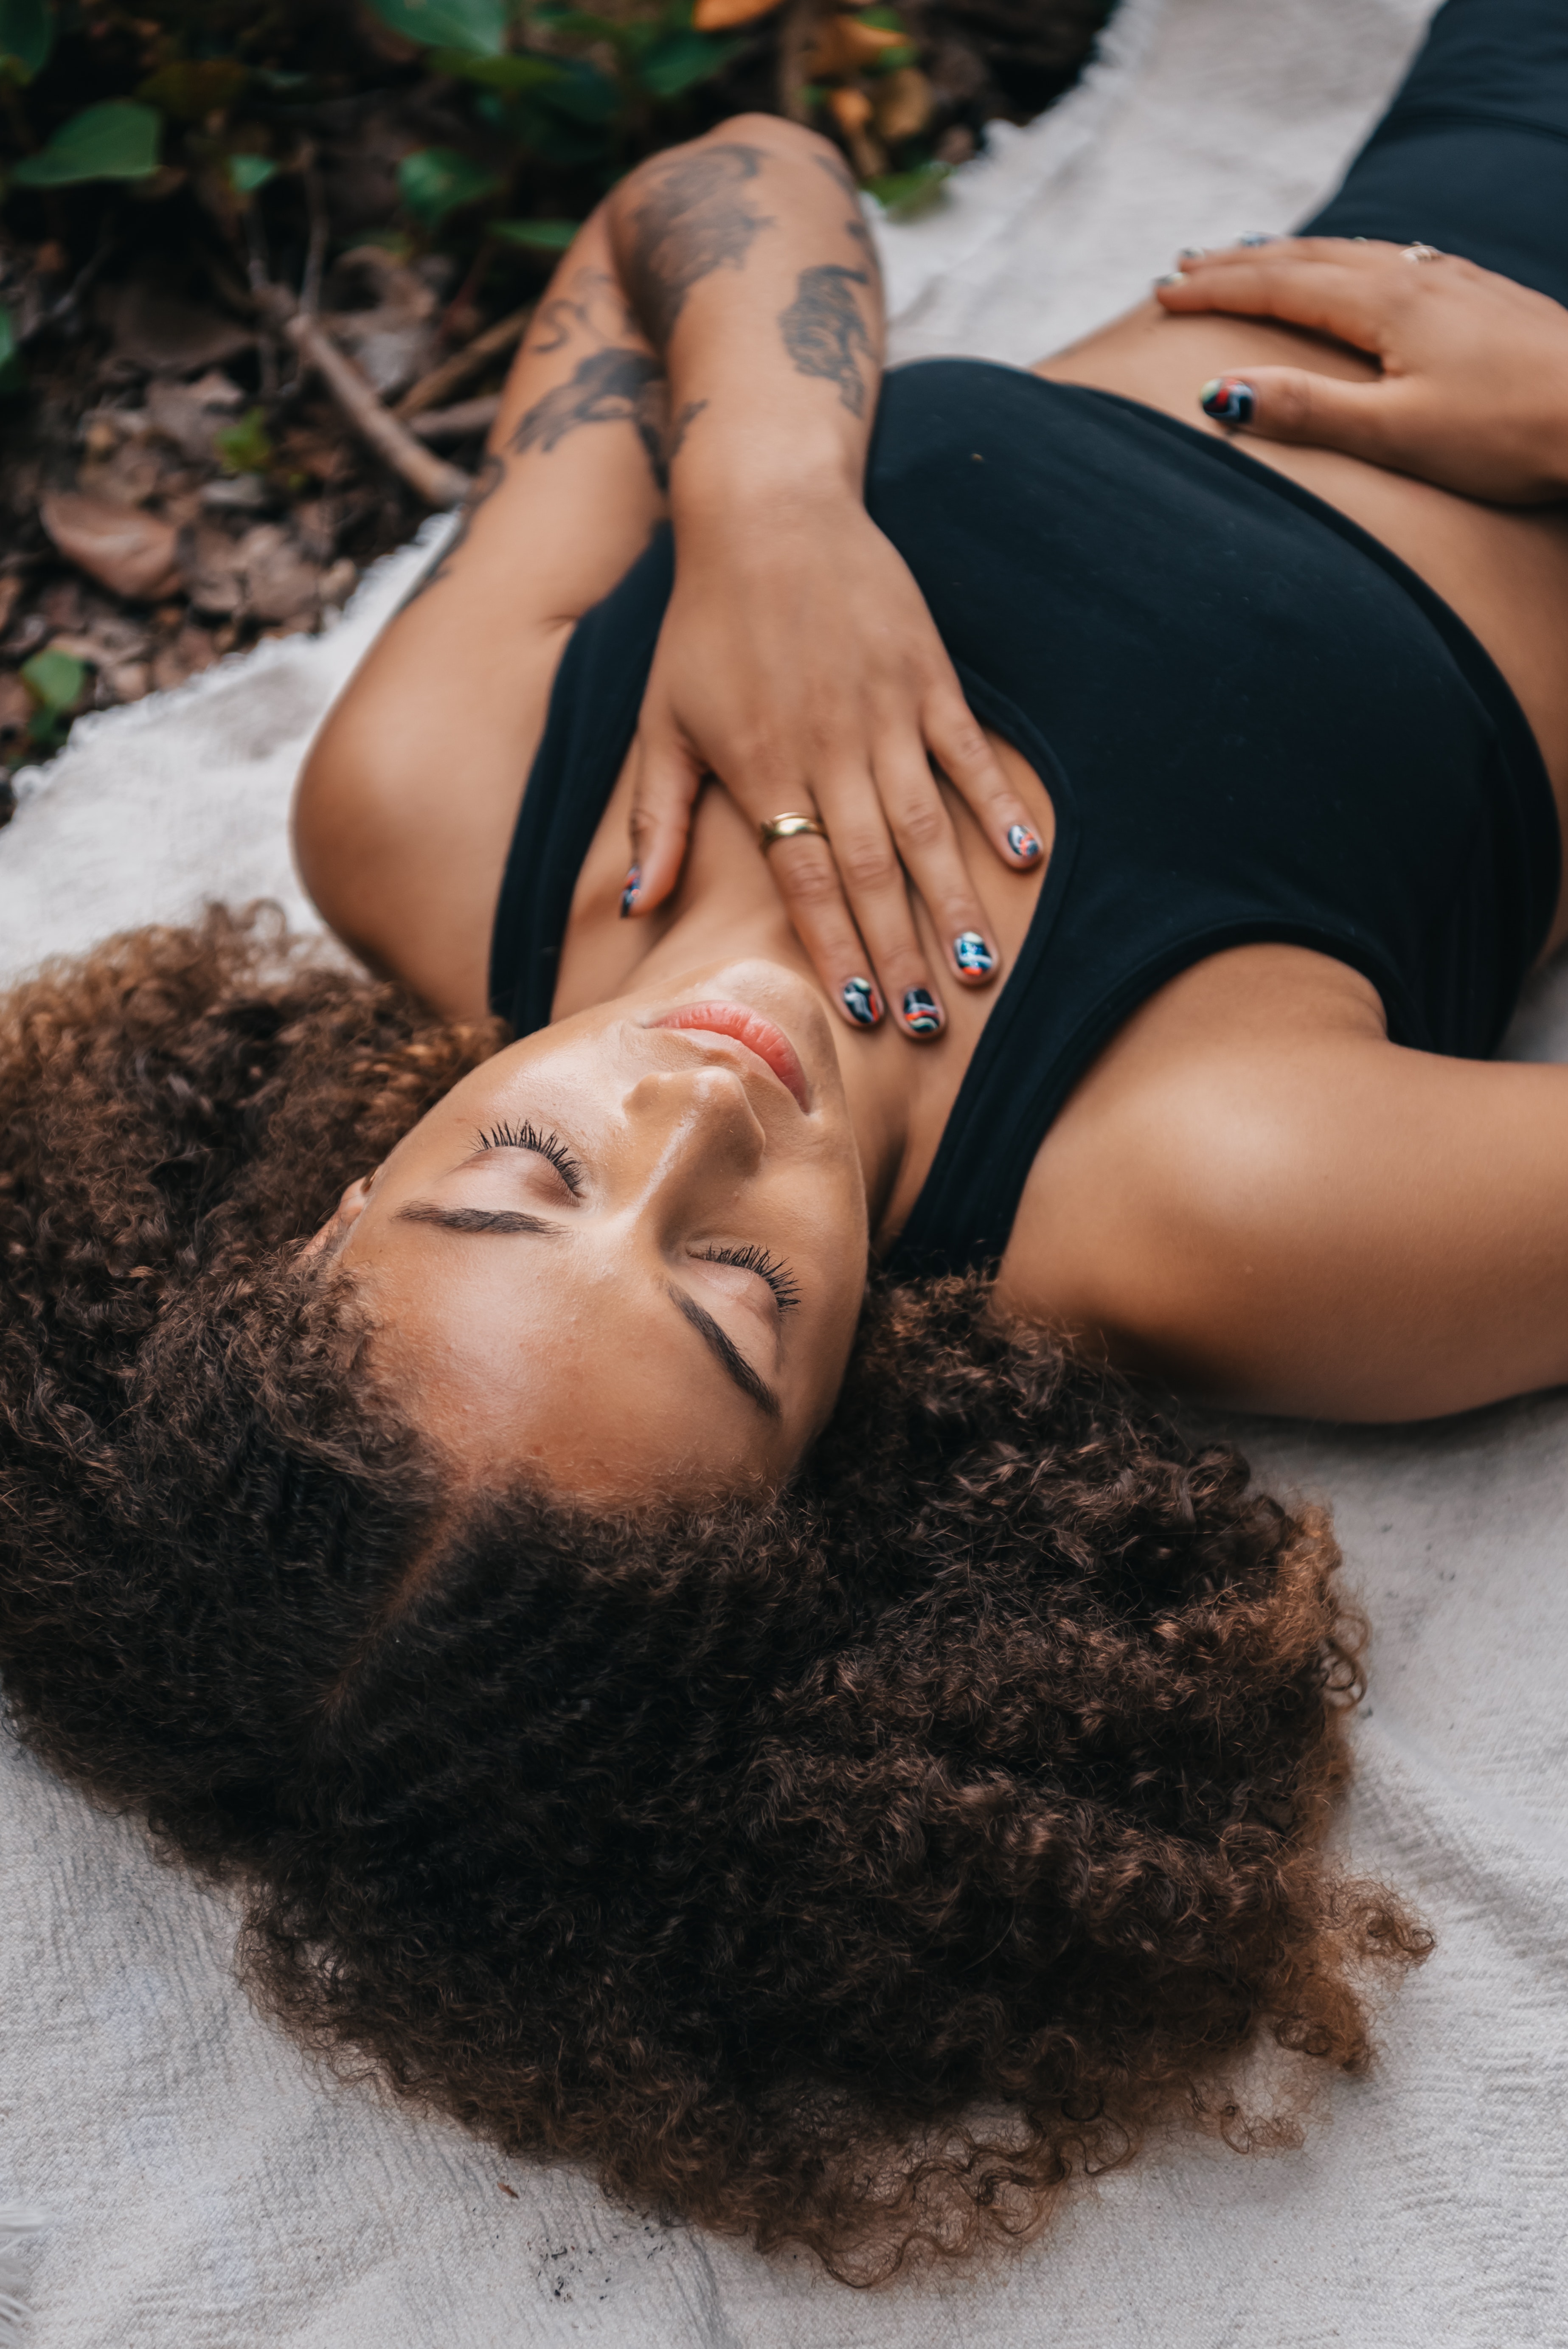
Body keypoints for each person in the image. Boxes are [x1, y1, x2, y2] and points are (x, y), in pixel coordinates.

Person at [3, 0, 1567, 2274]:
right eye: (734, 1302)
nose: (695, 1114)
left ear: (333, 1208)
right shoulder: (1205, 1196)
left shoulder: (439, 815)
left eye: (520, 1176)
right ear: (827, 1461)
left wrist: (761, 490)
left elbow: (707, 195)